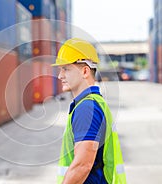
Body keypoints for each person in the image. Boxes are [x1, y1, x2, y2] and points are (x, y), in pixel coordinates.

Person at [52, 38, 126, 184]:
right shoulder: (93, 103)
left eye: (65, 69)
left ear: (85, 71)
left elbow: (82, 165)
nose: (60, 76)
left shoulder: (87, 109)